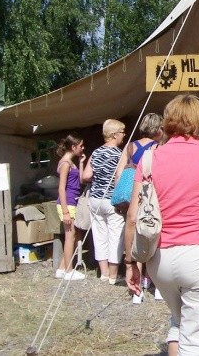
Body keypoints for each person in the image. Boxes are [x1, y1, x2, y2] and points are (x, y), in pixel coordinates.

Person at [124, 94, 199, 356]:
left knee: (179, 320)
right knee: (196, 340)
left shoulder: (148, 160)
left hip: (160, 258)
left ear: (168, 122)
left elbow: (132, 216)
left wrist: (131, 263)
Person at [112, 112, 164, 303]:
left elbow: (118, 174)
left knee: (135, 241)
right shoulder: (158, 148)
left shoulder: (130, 146)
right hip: (151, 197)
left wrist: (121, 197)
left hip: (132, 196)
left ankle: (138, 290)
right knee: (153, 237)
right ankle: (156, 285)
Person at [83, 119, 126, 284]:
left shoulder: (95, 152)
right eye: (122, 132)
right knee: (115, 236)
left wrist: (98, 180)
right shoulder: (119, 154)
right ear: (115, 135)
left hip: (95, 199)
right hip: (111, 200)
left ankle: (104, 273)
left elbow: (86, 176)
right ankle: (114, 275)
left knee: (99, 235)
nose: (124, 136)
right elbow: (119, 177)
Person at [54, 134, 86, 281]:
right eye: (81, 146)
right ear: (73, 147)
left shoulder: (71, 162)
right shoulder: (65, 163)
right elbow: (61, 188)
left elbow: (79, 181)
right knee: (70, 237)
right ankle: (68, 270)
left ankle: (61, 268)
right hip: (67, 203)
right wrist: (66, 211)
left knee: (71, 237)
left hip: (72, 201)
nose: (83, 148)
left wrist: (81, 163)